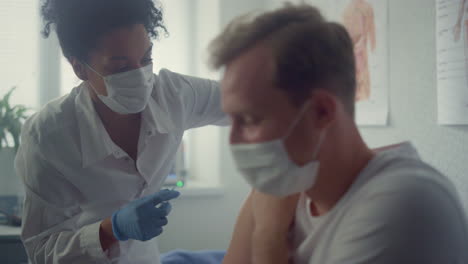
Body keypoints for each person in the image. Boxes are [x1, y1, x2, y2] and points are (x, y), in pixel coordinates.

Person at [208, 3, 468, 264]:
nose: (233, 141)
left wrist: (267, 239)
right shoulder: (280, 187)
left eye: (250, 120)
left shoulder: (405, 203)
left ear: (321, 112)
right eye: (231, 120)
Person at [15, 0, 228, 263]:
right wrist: (111, 229)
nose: (141, 76)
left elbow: (248, 100)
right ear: (79, 67)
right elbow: (41, 251)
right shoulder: (48, 136)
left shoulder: (173, 95)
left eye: (146, 58)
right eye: (121, 67)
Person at [342, 0, 376, 101]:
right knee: (355, 69)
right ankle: (357, 92)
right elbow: (345, 27)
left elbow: (371, 27)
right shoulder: (348, 9)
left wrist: (370, 43)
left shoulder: (366, 7)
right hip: (351, 45)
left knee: (361, 68)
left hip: (361, 45)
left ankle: (362, 92)